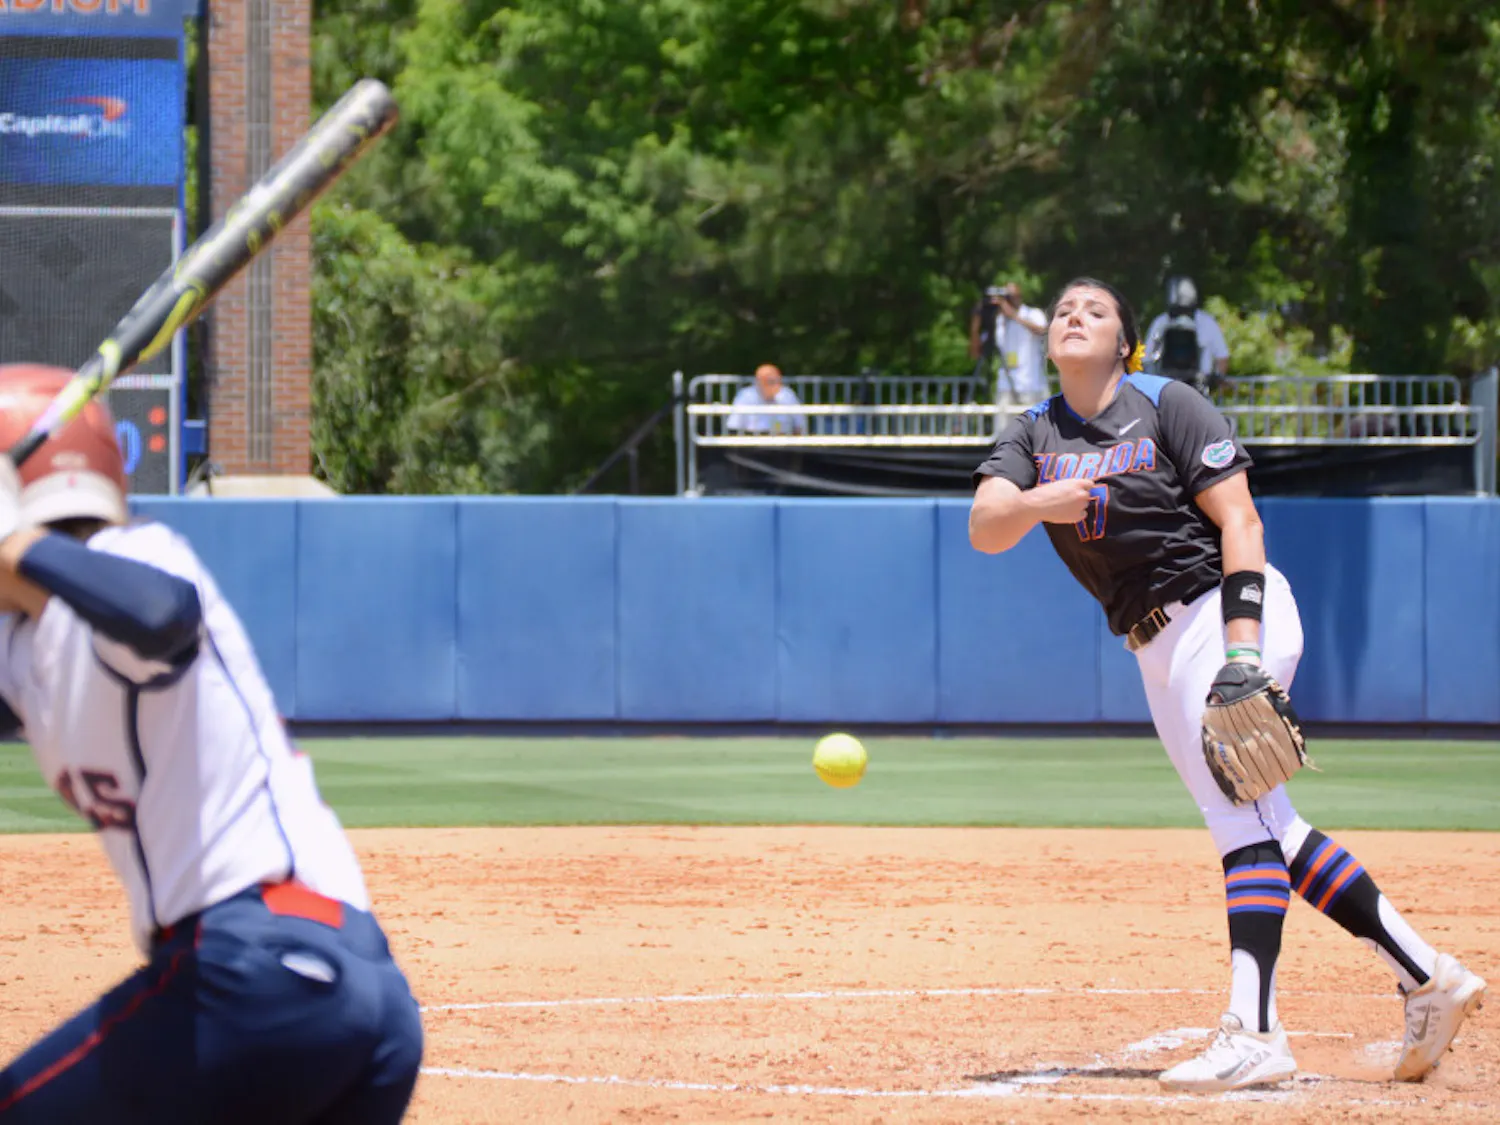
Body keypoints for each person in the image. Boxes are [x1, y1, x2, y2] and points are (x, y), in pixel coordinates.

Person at [968, 279, 1486, 1093]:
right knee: (1262, 821)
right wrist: (1040, 499)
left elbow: (1241, 521)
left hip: (1224, 610)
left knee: (1240, 819)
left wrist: (1242, 653)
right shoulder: (1033, 434)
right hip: (1153, 645)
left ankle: (1255, 1030)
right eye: (1064, 308)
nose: (1073, 315)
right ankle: (1429, 975)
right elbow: (986, 527)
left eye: (1095, 309)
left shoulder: (1167, 402)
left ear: (1125, 341)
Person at [0, 363, 423, 1123]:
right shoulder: (23, 644)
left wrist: (14, 543)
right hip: (348, 998)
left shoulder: (139, 557)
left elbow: (162, 615)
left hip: (260, 972)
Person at [1143, 276, 1230, 391]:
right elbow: (1147, 359)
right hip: (1166, 388)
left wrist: (1213, 382)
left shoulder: (1207, 322)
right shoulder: (1160, 322)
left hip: (1199, 387)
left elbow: (1222, 358)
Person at [969, 282, 1049, 406]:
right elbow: (975, 354)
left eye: (1011, 297)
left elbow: (1042, 330)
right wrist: (975, 326)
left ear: (1019, 296)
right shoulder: (999, 320)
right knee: (1003, 426)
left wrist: (1013, 315)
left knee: (1032, 425)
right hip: (1005, 387)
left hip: (1031, 385)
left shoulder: (1032, 313)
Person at [725, 363, 807, 436]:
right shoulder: (746, 395)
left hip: (783, 443)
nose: (775, 385)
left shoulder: (787, 395)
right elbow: (734, 426)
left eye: (777, 380)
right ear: (758, 382)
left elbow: (800, 424)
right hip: (753, 443)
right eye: (770, 381)